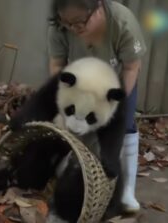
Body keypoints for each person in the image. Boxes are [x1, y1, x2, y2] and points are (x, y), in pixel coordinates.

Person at [48, 0, 147, 213]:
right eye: (67, 23)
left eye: (80, 22)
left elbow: (131, 67)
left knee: (124, 124)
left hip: (117, 82)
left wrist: (115, 104)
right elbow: (57, 65)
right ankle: (80, 177)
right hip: (80, 83)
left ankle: (127, 189)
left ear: (99, 6)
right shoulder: (58, 27)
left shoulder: (122, 22)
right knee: (75, 127)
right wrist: (64, 98)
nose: (74, 29)